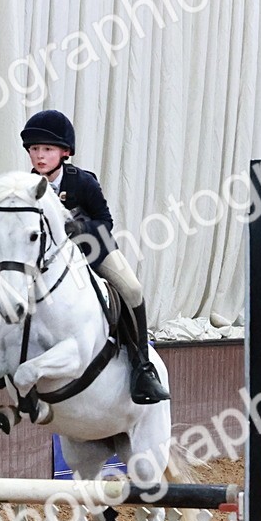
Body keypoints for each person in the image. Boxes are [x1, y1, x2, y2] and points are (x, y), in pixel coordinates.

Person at [19, 109, 170, 404]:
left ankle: (142, 366)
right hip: (48, 261)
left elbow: (105, 221)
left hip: (93, 251)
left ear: (65, 152)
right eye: (34, 149)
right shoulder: (26, 187)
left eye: (47, 149)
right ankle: (5, 358)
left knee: (132, 289)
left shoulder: (83, 182)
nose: (39, 156)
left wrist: (80, 228)